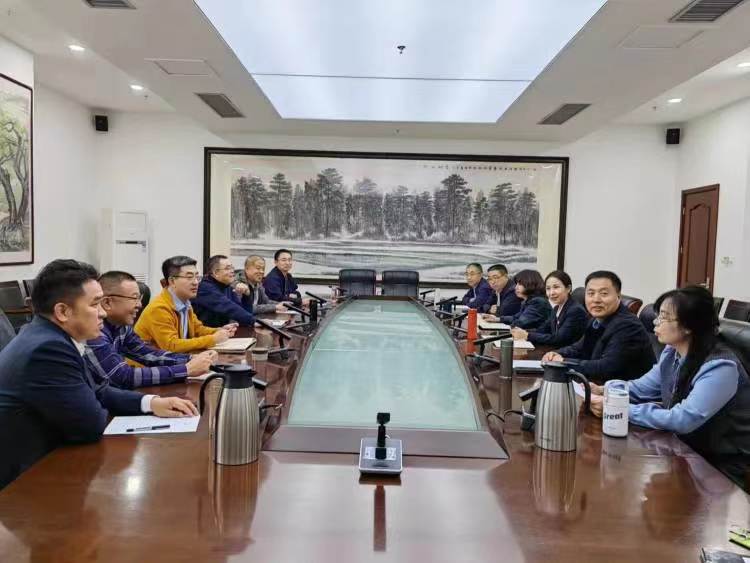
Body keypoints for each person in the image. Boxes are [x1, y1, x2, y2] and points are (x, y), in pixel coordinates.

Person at [0, 259, 198, 489]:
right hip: (24, 482)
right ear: (63, 311)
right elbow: (91, 424)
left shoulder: (51, 336)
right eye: (95, 304)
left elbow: (98, 390)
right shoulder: (48, 350)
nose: (103, 313)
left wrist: (151, 402)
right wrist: (94, 402)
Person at [588, 286, 750, 488]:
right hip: (683, 448)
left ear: (689, 325)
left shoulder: (721, 367)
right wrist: (604, 390)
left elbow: (682, 419)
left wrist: (619, 410)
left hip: (719, 466)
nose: (655, 322)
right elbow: (642, 388)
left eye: (664, 317)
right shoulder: (672, 351)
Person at [85, 271, 216, 389]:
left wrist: (191, 358)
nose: (140, 305)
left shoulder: (121, 325)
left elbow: (147, 354)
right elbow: (122, 377)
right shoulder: (93, 333)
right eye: (134, 298)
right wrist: (186, 369)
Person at [542, 270, 654, 381]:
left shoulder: (628, 325)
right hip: (598, 385)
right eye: (591, 293)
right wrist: (556, 354)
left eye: (604, 294)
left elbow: (607, 367)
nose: (596, 300)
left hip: (622, 390)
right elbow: (579, 348)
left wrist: (563, 362)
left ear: (618, 295)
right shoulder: (596, 320)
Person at [135, 256, 236, 353]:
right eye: (189, 277)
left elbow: (197, 329)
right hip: (148, 364)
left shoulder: (185, 302)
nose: (196, 282)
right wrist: (212, 339)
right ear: (172, 281)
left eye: (197, 277)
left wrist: (219, 330)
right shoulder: (159, 308)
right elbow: (171, 346)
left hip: (173, 360)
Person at [511, 270, 587, 347]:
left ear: (568, 288)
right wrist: (521, 332)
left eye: (556, 287)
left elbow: (559, 339)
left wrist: (528, 335)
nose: (551, 293)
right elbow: (543, 330)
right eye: (548, 288)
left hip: (567, 353)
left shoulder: (575, 310)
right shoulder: (557, 308)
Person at [192, 255, 255, 327]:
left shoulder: (227, 286)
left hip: (221, 331)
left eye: (232, 268)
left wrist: (246, 295)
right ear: (216, 273)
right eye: (227, 268)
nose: (232, 271)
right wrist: (255, 321)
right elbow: (229, 308)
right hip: (203, 333)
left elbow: (243, 314)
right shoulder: (205, 288)